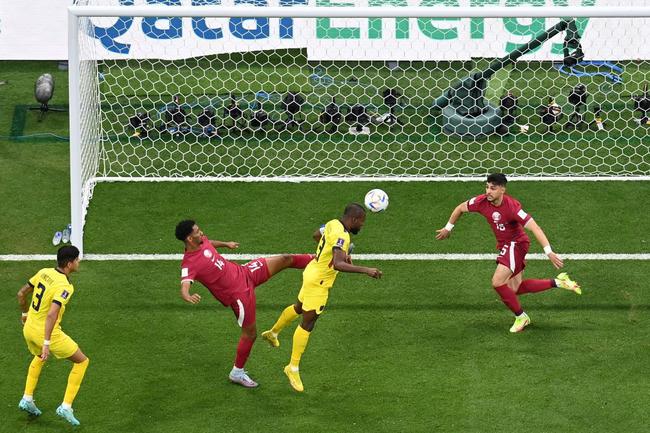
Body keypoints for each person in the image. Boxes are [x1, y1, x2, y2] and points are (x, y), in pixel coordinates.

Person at [435, 173, 582, 333]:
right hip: (506, 245)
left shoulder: (512, 207)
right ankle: (559, 282)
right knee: (513, 289)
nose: (488, 191)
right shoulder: (481, 201)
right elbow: (460, 208)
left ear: (502, 190)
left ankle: (521, 317)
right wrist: (448, 228)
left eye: (493, 188)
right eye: (487, 187)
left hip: (516, 244)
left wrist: (549, 252)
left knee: (497, 282)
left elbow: (535, 227)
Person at [175, 220, 314, 388]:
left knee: (285, 259)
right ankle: (237, 372)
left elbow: (209, 244)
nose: (202, 233)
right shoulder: (189, 263)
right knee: (250, 334)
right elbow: (185, 283)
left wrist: (226, 244)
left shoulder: (202, 241)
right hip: (239, 295)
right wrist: (187, 295)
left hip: (245, 272)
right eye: (197, 232)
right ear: (190, 239)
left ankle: (318, 260)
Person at [261, 203, 382, 392]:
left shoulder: (333, 223)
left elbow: (317, 236)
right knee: (308, 323)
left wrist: (331, 253)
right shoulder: (343, 235)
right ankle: (292, 367)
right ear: (354, 219)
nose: (362, 226)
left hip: (312, 270)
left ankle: (273, 333)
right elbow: (339, 264)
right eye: (362, 223)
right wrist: (366, 270)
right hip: (319, 283)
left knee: (299, 306)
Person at [17, 246, 89, 426]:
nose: (78, 263)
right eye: (77, 260)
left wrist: (25, 315)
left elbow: (21, 294)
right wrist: (47, 342)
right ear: (69, 263)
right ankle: (66, 406)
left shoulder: (44, 272)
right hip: (46, 333)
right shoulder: (65, 286)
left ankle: (27, 398)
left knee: (39, 357)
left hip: (29, 329)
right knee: (82, 361)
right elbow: (51, 314)